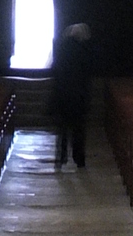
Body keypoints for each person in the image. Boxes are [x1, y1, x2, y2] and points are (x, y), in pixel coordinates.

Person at [50, 22, 92, 169]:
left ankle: (61, 158)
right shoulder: (83, 51)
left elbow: (57, 73)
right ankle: (79, 159)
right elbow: (86, 74)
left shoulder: (62, 51)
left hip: (63, 95)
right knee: (78, 130)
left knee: (62, 130)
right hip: (78, 96)